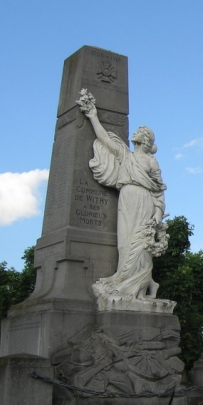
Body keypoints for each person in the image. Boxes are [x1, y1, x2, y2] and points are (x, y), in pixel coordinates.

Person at [79, 93, 166, 301]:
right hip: (126, 198)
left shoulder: (151, 162)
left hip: (144, 201)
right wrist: (92, 116)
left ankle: (142, 286)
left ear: (145, 139)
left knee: (141, 246)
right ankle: (144, 284)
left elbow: (158, 190)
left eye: (138, 131)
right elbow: (105, 139)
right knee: (124, 245)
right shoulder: (125, 154)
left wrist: (157, 212)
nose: (134, 132)